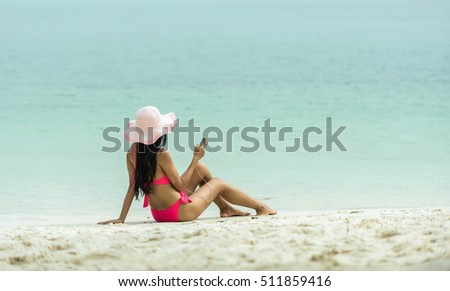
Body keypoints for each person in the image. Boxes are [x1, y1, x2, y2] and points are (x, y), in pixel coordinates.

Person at [99, 106, 276, 224]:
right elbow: (181, 186)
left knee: (201, 170)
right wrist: (195, 159)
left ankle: (225, 208)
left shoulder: (131, 153)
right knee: (218, 182)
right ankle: (261, 207)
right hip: (179, 212)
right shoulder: (162, 155)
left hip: (159, 214)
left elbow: (132, 187)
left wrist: (121, 218)